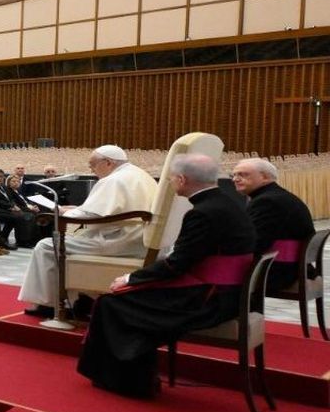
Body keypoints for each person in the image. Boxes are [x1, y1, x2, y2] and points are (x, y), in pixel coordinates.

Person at [76, 155, 256, 398]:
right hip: (226, 292)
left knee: (113, 303)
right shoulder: (227, 203)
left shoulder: (202, 213)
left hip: (207, 299)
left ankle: (128, 380)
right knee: (126, 300)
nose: (170, 182)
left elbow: (176, 265)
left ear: (182, 179)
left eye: (171, 178)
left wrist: (131, 279)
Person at [19, 145, 158, 317]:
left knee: (46, 246)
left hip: (116, 240)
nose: (91, 170)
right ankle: (84, 299)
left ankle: (50, 304)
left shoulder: (113, 180)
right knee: (69, 242)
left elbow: (92, 215)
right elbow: (107, 210)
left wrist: (65, 212)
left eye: (93, 165)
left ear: (108, 163)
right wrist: (77, 208)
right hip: (139, 239)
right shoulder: (140, 175)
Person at [231, 158, 315, 293]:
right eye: (234, 175)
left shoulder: (267, 201)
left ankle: (235, 314)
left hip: (279, 272)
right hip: (290, 267)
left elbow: (254, 242)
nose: (235, 179)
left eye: (243, 174)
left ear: (264, 177)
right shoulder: (276, 196)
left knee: (214, 276)